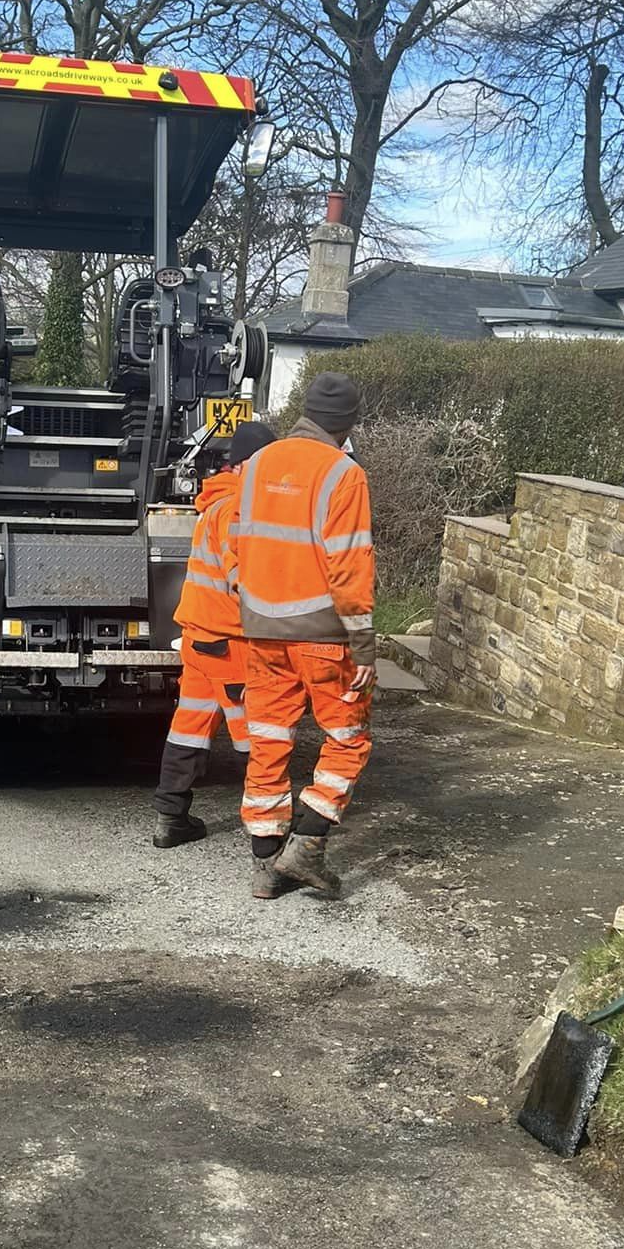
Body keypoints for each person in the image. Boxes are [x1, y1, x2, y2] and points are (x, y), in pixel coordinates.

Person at [229, 373, 376, 900]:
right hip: (324, 636)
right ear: (347, 423)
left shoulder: (257, 464)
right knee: (347, 738)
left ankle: (266, 867)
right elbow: (350, 567)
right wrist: (363, 643)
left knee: (268, 740)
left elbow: (235, 544)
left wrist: (249, 607)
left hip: (261, 632)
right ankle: (306, 849)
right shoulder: (344, 473)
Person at [151, 419, 279, 848]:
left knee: (189, 726)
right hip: (232, 642)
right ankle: (269, 832)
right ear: (248, 465)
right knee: (258, 736)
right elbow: (244, 573)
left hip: (200, 636)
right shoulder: (240, 509)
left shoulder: (215, 503)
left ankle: (171, 818)